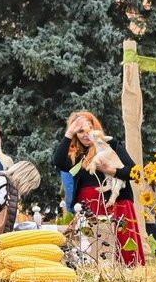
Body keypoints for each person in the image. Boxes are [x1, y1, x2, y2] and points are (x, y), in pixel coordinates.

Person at [51, 110, 145, 264]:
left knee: (124, 250)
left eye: (89, 129)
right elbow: (58, 162)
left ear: (96, 128)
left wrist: (111, 170)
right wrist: (69, 132)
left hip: (117, 204)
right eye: (80, 131)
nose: (85, 135)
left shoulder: (111, 146)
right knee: (95, 254)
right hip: (89, 208)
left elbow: (135, 173)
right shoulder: (76, 155)